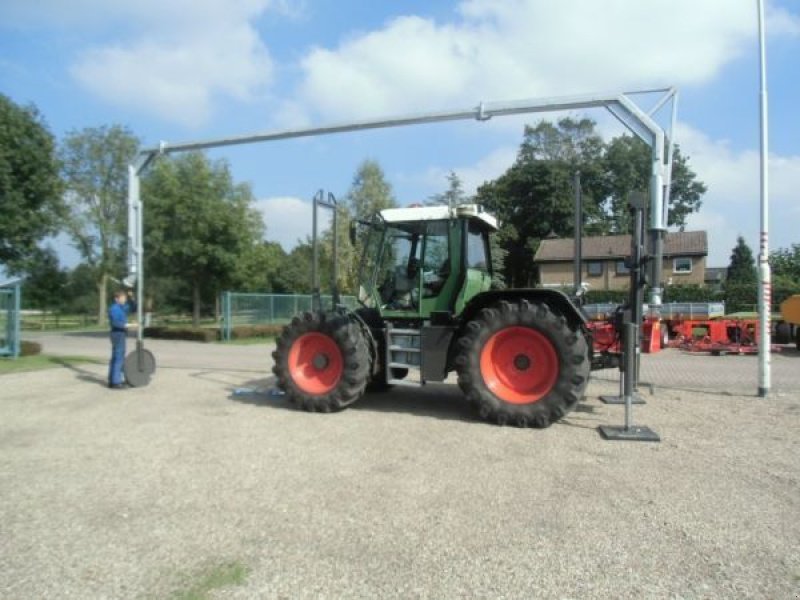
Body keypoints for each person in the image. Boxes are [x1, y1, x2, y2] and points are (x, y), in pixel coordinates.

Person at [108, 289, 136, 389]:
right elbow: (116, 323)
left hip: (121, 334)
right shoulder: (114, 309)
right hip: (117, 334)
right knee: (118, 357)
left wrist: (132, 297)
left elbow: (133, 308)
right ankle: (116, 382)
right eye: (123, 298)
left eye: (125, 298)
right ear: (116, 299)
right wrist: (129, 325)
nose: (125, 300)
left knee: (117, 357)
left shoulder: (121, 307)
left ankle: (113, 380)